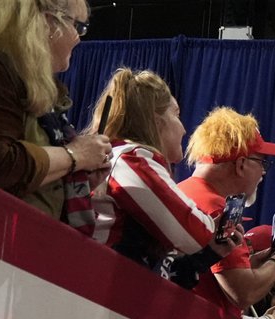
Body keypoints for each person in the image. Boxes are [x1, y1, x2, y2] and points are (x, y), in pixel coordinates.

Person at [0, 0, 110, 221]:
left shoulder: (19, 79)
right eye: (78, 26)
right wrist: (75, 156)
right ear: (48, 23)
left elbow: (24, 180)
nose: (78, 38)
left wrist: (74, 177)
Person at [86, 68, 230, 274]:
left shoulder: (129, 159)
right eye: (176, 114)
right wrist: (209, 227)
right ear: (156, 121)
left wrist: (210, 251)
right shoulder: (129, 160)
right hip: (94, 289)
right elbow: (196, 232)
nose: (183, 128)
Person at [178, 107, 275, 316]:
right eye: (262, 162)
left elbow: (209, 273)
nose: (263, 172)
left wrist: (255, 263)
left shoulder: (182, 190)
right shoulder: (218, 209)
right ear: (241, 164)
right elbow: (243, 293)